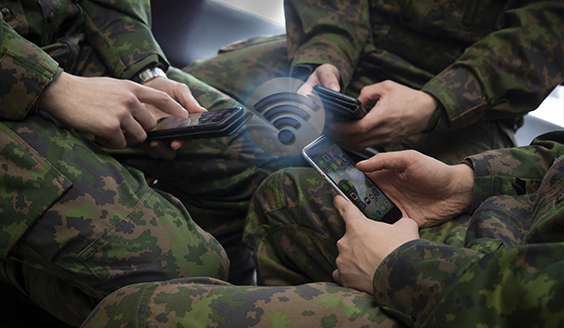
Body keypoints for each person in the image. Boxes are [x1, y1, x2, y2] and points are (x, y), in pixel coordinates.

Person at [0, 0, 303, 326]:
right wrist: (54, 88)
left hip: (69, 44)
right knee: (184, 277)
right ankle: (23, 260)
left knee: (267, 163)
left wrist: (144, 72)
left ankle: (223, 288)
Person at [81, 130, 563, 327]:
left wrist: (397, 268)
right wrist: (468, 180)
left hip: (493, 302)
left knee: (131, 314)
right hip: (511, 227)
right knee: (283, 198)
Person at [185, 0, 564, 164]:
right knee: (182, 111)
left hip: (465, 100)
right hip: (336, 49)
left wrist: (436, 102)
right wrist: (323, 56)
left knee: (405, 226)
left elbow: (544, 36)